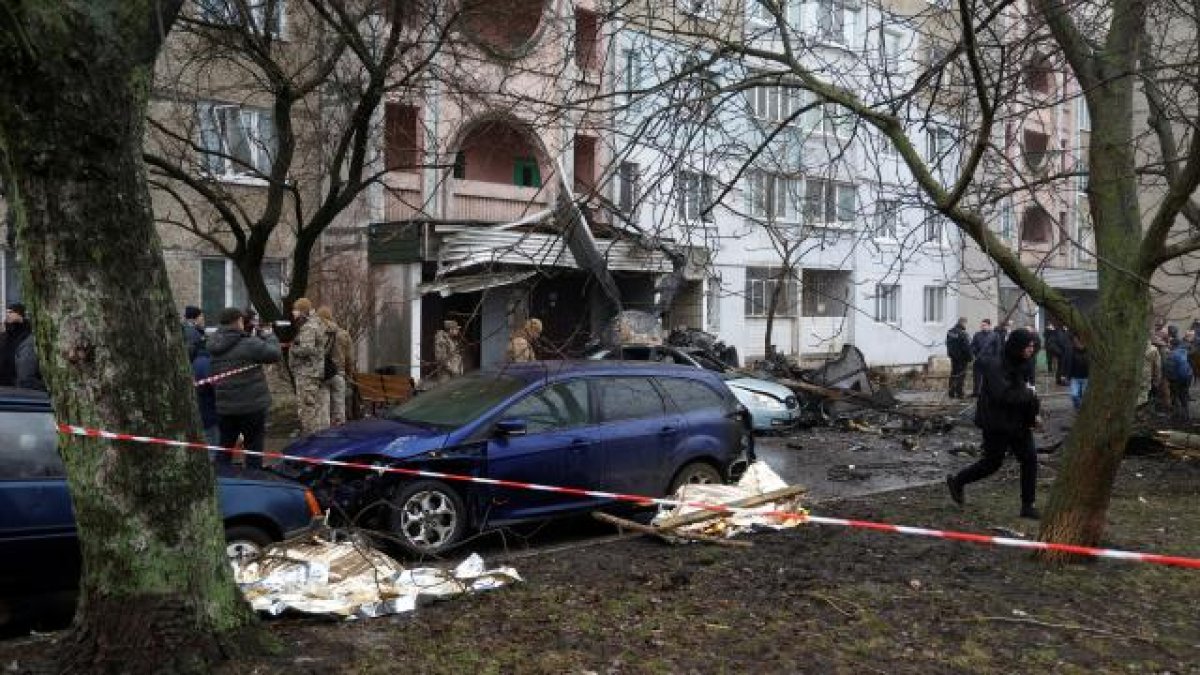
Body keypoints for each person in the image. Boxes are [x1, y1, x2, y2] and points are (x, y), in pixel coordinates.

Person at [946, 328, 1042, 519]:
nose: (1031, 350)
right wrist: (1029, 394)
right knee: (992, 463)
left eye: (1033, 346)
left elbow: (1029, 392)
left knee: (1030, 459)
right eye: (1028, 346)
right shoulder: (996, 365)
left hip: (1019, 423)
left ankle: (1028, 505)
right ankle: (958, 481)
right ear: (1017, 346)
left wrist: (1033, 416)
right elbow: (1004, 395)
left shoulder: (1025, 364)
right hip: (997, 423)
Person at [208, 307, 281, 469]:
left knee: (225, 447)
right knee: (254, 448)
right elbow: (274, 354)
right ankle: (252, 478)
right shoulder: (249, 343)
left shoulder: (213, 344)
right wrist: (269, 335)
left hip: (225, 407)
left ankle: (222, 478)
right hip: (252, 406)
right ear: (239, 321)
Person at [289, 297, 330, 435]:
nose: (293, 312)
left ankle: (309, 438)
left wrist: (292, 348)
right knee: (315, 408)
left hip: (307, 373)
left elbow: (307, 349)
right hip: (312, 372)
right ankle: (317, 436)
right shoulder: (315, 323)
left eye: (295, 310)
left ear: (302, 311)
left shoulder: (308, 326)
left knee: (307, 410)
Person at [316, 306, 351, 426]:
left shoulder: (318, 333)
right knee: (339, 408)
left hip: (324, 374)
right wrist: (348, 374)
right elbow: (349, 358)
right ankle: (339, 431)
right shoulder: (344, 334)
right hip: (339, 374)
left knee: (324, 409)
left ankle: (325, 432)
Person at [191, 345, 220, 447]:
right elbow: (215, 386)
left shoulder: (194, 362)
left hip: (201, 410)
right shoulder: (207, 363)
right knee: (214, 442)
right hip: (210, 412)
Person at [0, 303, 30, 386]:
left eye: (11, 312)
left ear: (19, 314)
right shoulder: (5, 334)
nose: (7, 315)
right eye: (7, 312)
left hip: (17, 378)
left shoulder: (26, 333)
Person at [969, 319, 1000, 397]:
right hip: (978, 359)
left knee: (989, 377)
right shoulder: (977, 334)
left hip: (990, 360)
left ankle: (989, 392)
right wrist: (974, 353)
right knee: (977, 377)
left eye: (984, 325)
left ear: (989, 326)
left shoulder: (995, 335)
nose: (982, 327)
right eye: (981, 325)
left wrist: (995, 360)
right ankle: (976, 392)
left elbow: (997, 349)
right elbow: (973, 345)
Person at [1164, 337, 1193, 421]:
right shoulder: (1184, 351)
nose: (1168, 345)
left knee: (1174, 395)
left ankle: (1176, 415)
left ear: (1172, 345)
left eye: (1169, 344)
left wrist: (1168, 379)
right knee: (1183, 395)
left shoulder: (1171, 355)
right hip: (1188, 376)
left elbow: (1169, 369)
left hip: (1177, 379)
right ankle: (1186, 414)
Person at [945, 317, 972, 399]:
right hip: (962, 358)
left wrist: (951, 354)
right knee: (961, 375)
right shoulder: (963, 334)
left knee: (953, 374)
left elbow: (947, 343)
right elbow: (966, 347)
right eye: (965, 323)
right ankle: (959, 393)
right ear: (963, 323)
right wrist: (970, 357)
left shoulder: (950, 331)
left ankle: (951, 393)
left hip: (953, 357)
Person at [1063, 333, 1089, 410]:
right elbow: (1066, 363)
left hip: (1086, 377)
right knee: (1074, 395)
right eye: (1076, 341)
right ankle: (1078, 407)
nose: (1078, 344)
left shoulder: (1089, 351)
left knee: (1084, 396)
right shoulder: (1071, 350)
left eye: (1079, 342)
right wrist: (1064, 375)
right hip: (1075, 377)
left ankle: (1081, 409)